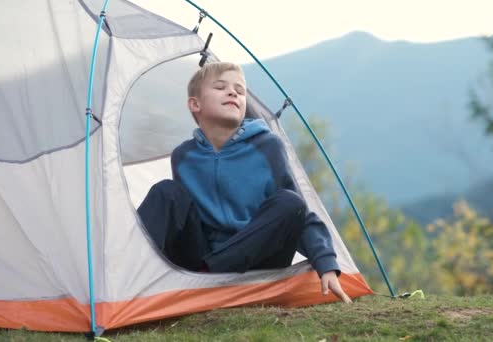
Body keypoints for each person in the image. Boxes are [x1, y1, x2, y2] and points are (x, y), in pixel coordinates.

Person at [137, 62, 350, 303]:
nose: (233, 92)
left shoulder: (267, 146)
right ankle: (130, 278)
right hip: (202, 258)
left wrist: (326, 263)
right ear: (195, 104)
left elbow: (300, 215)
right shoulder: (184, 157)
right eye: (221, 87)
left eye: (240, 90)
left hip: (258, 259)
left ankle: (211, 277)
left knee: (291, 202)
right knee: (166, 191)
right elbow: (184, 217)